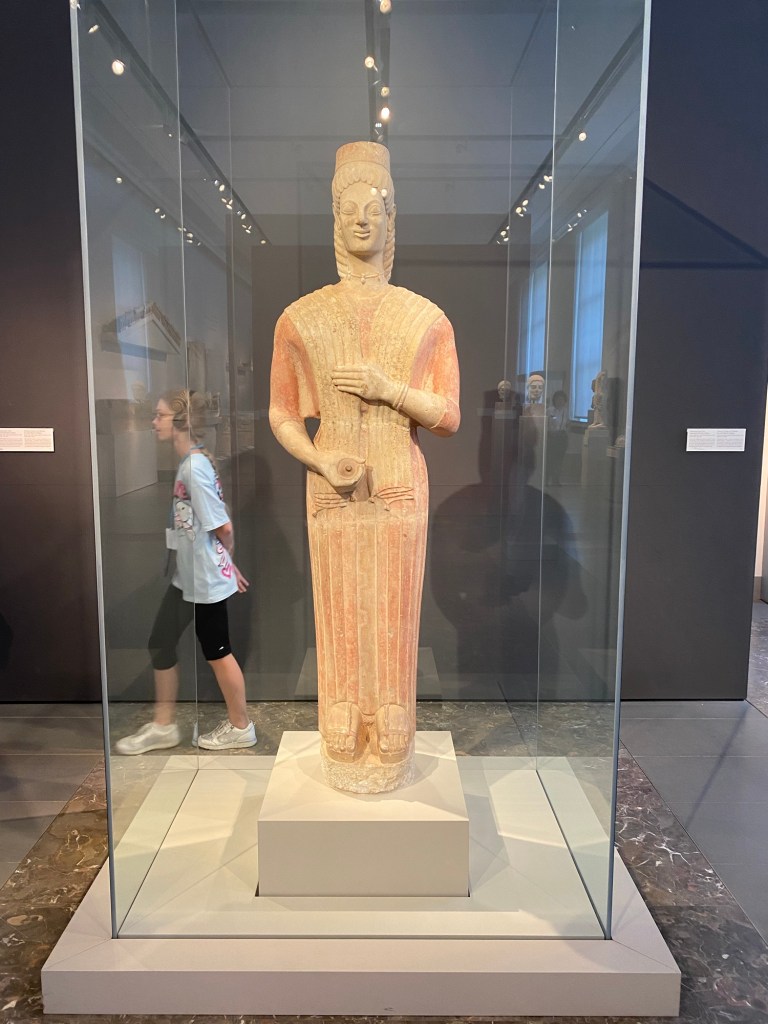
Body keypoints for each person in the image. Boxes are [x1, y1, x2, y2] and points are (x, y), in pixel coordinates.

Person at [269, 141, 460, 792]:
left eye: (375, 209)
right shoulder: (301, 317)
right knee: (338, 600)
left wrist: (389, 389)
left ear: (392, 219)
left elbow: (448, 414)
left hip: (398, 471)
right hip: (332, 477)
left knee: (394, 600)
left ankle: (395, 709)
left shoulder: (425, 318)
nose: (361, 220)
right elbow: (283, 414)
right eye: (349, 208)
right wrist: (321, 458)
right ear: (334, 218)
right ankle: (343, 710)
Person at [116, 388, 256, 754]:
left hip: (204, 580)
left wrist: (225, 565)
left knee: (217, 651)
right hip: (189, 577)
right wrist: (228, 564)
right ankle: (164, 726)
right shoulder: (191, 463)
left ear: (180, 422)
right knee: (161, 641)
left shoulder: (194, 468)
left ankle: (241, 726)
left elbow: (223, 527)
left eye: (160, 415)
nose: (154, 422)